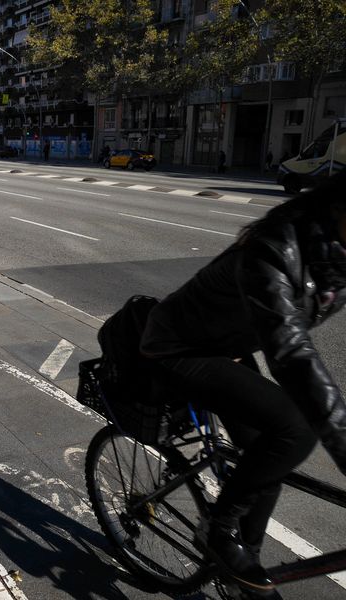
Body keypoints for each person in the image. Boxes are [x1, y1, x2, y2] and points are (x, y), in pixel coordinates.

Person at [140, 171, 346, 596]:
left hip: (226, 345)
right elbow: (291, 355)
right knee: (294, 428)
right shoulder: (274, 248)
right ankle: (219, 527)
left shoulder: (332, 251)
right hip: (179, 346)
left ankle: (241, 566)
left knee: (269, 455)